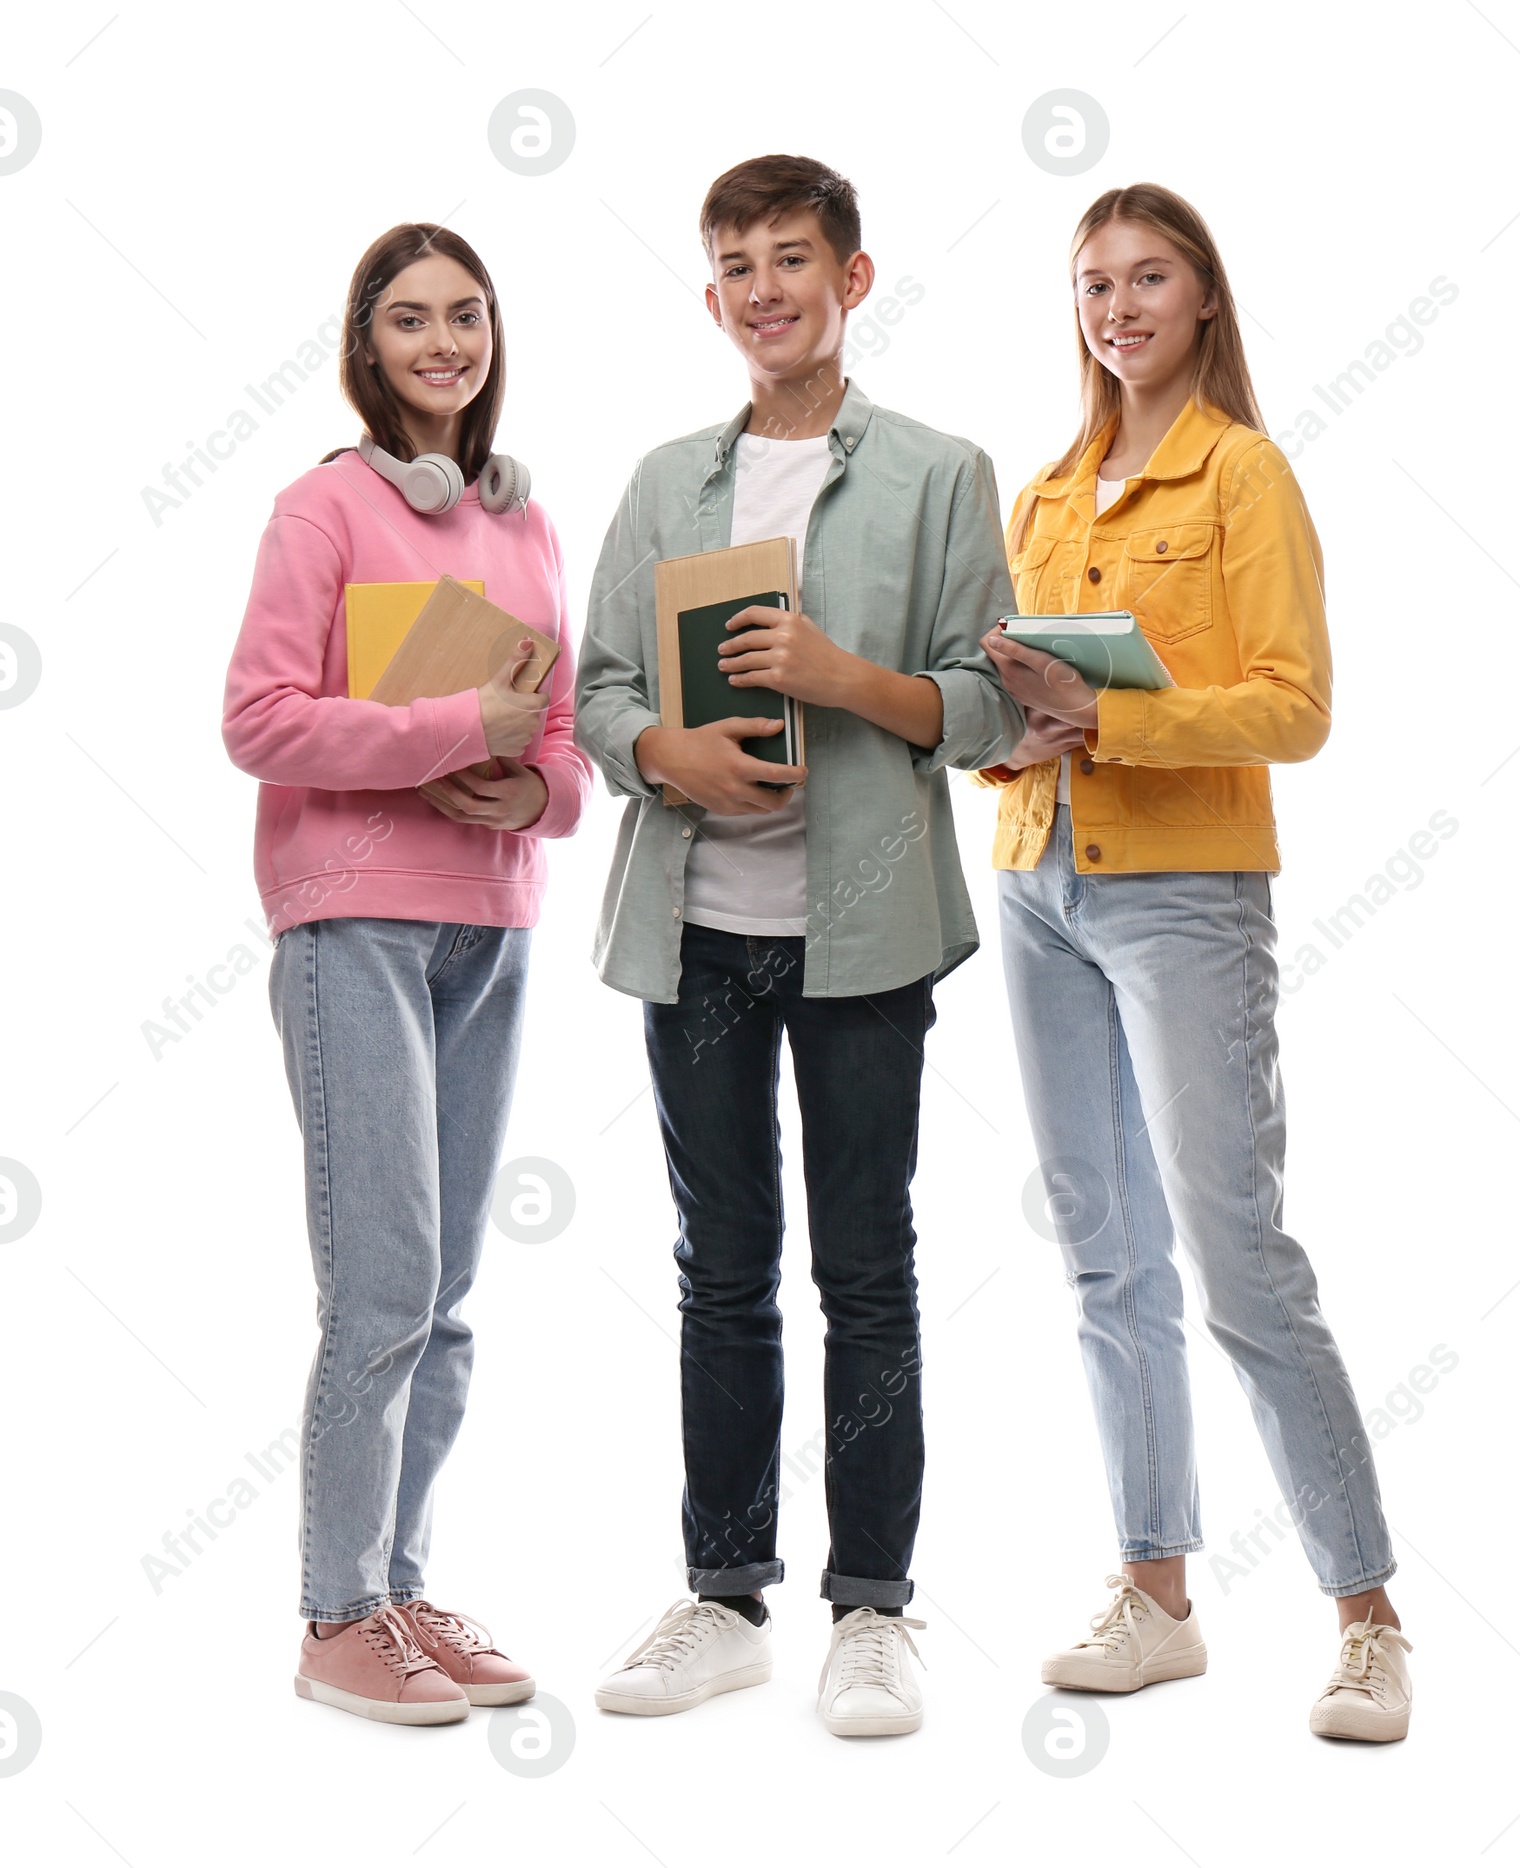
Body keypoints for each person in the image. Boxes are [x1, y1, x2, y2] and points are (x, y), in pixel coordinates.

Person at [574, 154, 1021, 1737]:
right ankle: (721, 1593)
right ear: (713, 299)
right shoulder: (658, 482)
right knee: (719, 1273)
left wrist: (842, 676)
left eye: (792, 259)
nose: (766, 288)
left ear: (854, 278)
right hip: (696, 930)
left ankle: (876, 1609)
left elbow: (984, 707)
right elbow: (599, 687)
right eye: (737, 266)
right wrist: (659, 759)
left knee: (870, 1271)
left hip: (866, 936)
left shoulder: (938, 472)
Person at [979, 182, 1413, 1742]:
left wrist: (1119, 717)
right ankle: (1155, 1597)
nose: (1119, 306)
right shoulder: (1041, 493)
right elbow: (1010, 709)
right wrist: (1008, 724)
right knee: (1106, 1253)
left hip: (1185, 895)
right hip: (1039, 880)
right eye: (1095, 282)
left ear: (1205, 298)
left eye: (1149, 276)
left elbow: (1295, 705)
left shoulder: (1244, 475)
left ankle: (1368, 1619)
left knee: (1238, 1259)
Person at [222, 222, 590, 1725]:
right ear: (366, 347)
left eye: (467, 317)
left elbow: (560, 742)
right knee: (378, 1286)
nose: (444, 343)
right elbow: (259, 719)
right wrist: (450, 731)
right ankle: (334, 1617)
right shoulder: (323, 509)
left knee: (443, 1297)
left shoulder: (527, 522)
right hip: (354, 921)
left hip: (490, 925)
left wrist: (536, 797)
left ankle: (400, 1580)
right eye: (412, 320)